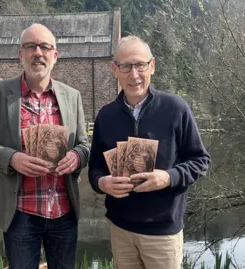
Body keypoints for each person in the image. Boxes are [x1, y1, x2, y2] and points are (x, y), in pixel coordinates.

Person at [0, 23, 90, 269]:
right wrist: (12, 158)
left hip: (63, 210)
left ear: (54, 56)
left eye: (45, 47)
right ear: (21, 54)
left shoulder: (72, 96)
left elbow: (83, 145)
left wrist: (76, 157)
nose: (38, 52)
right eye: (30, 46)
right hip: (20, 213)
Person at [88, 36, 211, 269]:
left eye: (140, 65)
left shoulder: (176, 108)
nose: (133, 75)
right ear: (115, 69)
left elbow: (200, 161)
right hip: (120, 228)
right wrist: (102, 183)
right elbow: (94, 168)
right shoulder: (106, 116)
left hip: (162, 230)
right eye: (125, 66)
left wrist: (168, 177)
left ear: (152, 66)